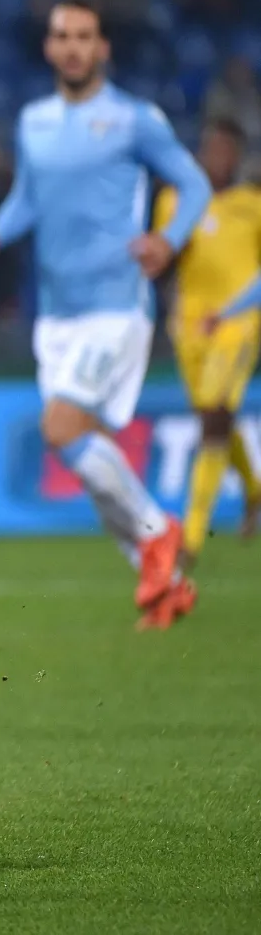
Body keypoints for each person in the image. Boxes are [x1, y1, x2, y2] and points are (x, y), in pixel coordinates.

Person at [0, 0, 212, 626]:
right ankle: (165, 586)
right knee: (86, 452)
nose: (72, 46)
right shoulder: (35, 121)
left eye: (84, 36)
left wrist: (169, 238)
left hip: (115, 304)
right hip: (56, 315)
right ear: (49, 48)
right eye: (61, 36)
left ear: (102, 48)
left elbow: (195, 183)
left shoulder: (135, 119)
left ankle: (159, 532)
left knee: (62, 429)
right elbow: (29, 196)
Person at [159, 118, 261, 591]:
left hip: (238, 324)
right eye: (210, 147)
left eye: (226, 150)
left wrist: (236, 309)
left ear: (236, 157)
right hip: (190, 327)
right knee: (214, 415)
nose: (216, 157)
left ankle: (193, 538)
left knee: (214, 414)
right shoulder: (175, 201)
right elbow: (164, 259)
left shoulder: (252, 205)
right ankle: (256, 492)